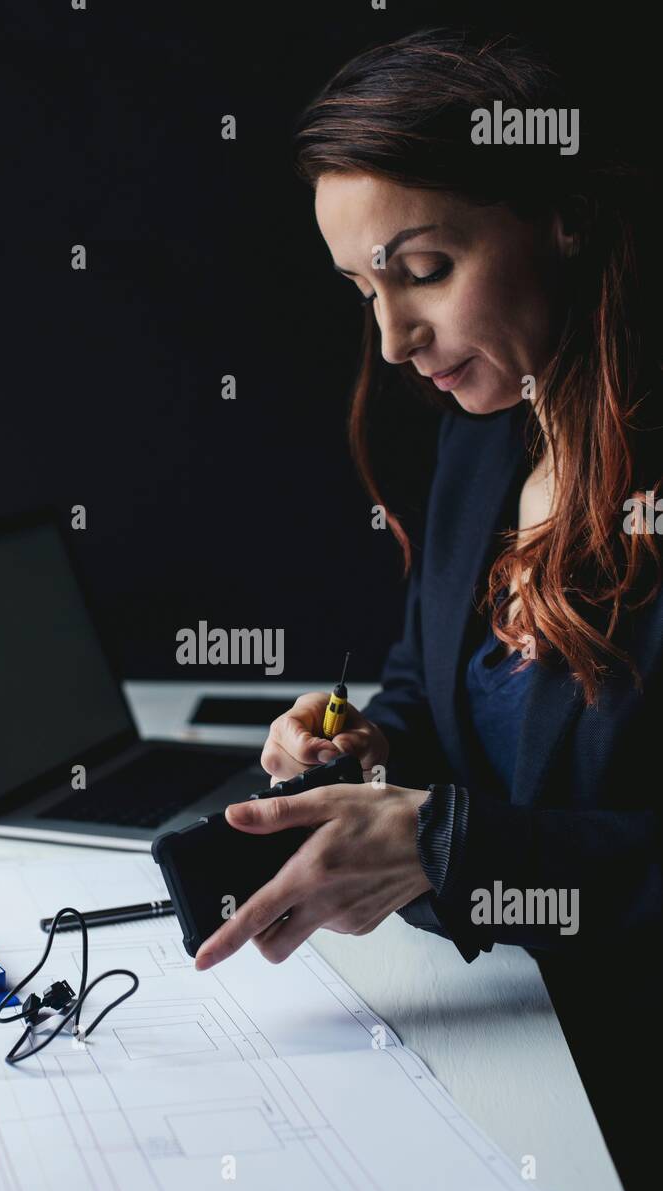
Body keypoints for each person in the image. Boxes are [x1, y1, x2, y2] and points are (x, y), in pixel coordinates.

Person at [194, 29, 662, 977]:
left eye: (424, 272)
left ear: (563, 215)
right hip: (506, 1011)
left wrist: (447, 849)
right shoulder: (483, 431)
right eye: (366, 290)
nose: (397, 340)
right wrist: (363, 746)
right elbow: (426, 684)